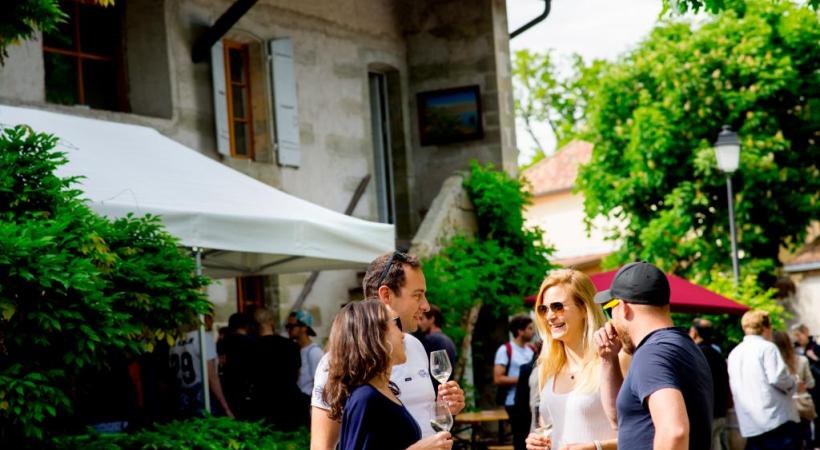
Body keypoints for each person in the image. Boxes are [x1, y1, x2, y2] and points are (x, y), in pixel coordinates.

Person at [311, 251, 466, 450]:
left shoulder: (415, 346)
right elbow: (322, 447)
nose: (426, 306)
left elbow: (419, 418)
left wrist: (445, 407)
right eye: (417, 295)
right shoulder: (339, 361)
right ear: (386, 295)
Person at [594, 261, 714, 450]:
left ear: (623, 307)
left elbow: (674, 432)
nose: (611, 320)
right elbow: (621, 419)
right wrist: (609, 359)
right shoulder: (681, 345)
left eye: (610, 310)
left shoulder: (652, 353)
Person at [323, 299, 453, 450]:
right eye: (395, 325)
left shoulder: (383, 390)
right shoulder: (366, 398)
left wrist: (441, 409)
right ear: (375, 337)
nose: (402, 335)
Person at [525, 269, 623, 450]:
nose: (550, 316)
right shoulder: (547, 368)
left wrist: (596, 447)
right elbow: (546, 427)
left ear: (584, 308)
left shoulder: (614, 358)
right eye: (543, 309)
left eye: (558, 307)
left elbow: (643, 433)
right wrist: (536, 442)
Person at [727, 310, 800, 450]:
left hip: (750, 420)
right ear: (766, 327)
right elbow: (777, 377)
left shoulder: (734, 353)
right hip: (775, 418)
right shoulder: (768, 348)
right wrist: (793, 384)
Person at [253, 307, 306, 430]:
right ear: (271, 321)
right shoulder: (291, 346)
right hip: (290, 402)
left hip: (263, 404)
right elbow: (297, 374)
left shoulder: (250, 349)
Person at [169, 323, 234, 418]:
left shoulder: (175, 341)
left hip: (183, 399)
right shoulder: (203, 337)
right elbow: (212, 376)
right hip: (203, 398)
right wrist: (226, 407)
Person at [494, 315, 536, 449]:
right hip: (513, 401)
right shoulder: (505, 350)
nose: (533, 332)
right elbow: (498, 378)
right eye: (530, 328)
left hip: (529, 400)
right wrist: (523, 379)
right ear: (520, 331)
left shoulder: (531, 349)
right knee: (520, 436)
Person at [690, 318, 731, 450]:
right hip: (720, 411)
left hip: (705, 414)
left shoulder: (696, 355)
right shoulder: (718, 354)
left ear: (695, 333)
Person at [773, 330, 816, 450]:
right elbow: (811, 383)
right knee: (805, 439)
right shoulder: (802, 360)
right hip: (802, 406)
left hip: (781, 409)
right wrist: (801, 386)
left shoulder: (773, 364)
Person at [792, 323, 820, 449]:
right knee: (803, 420)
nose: (797, 338)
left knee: (816, 415)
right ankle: (807, 442)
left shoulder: (815, 347)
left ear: (805, 333)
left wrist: (813, 357)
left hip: (816, 387)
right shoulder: (794, 349)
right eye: (795, 336)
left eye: (799, 335)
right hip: (800, 390)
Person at [287, 309, 325, 396]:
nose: (288, 329)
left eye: (291, 326)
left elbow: (320, 383)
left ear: (303, 328)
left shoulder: (314, 352)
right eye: (287, 326)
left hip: (307, 401)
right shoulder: (294, 349)